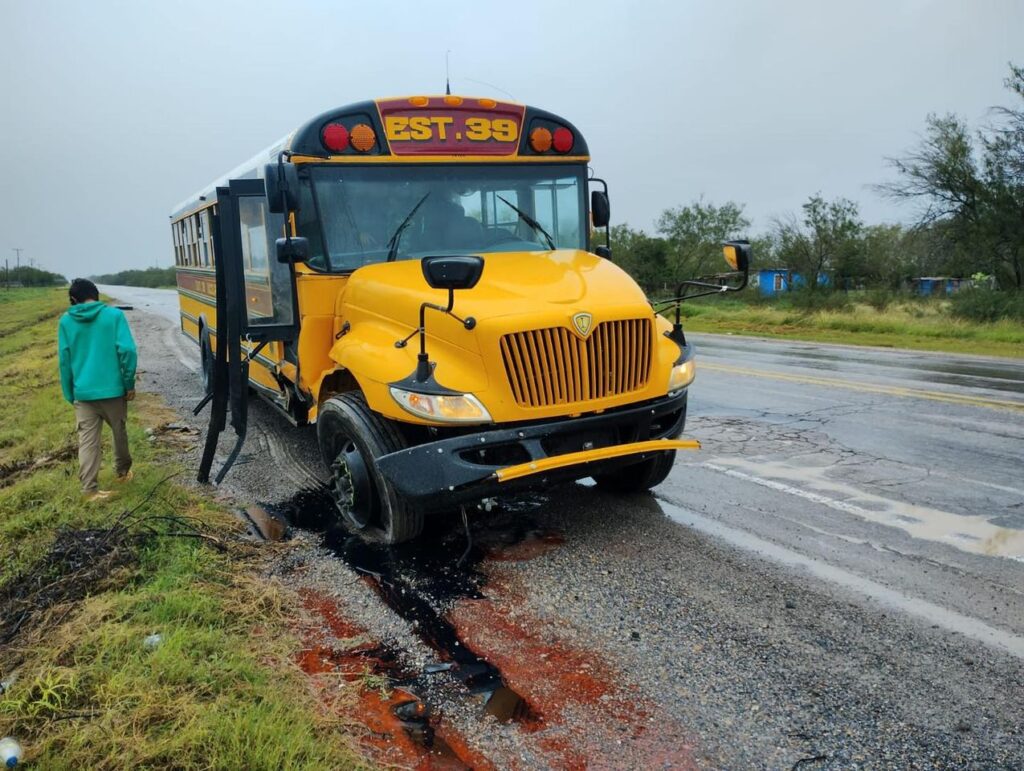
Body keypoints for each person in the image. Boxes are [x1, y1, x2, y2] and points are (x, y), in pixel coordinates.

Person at [58, 278, 138, 502]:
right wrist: (128, 383)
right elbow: (128, 351)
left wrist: (70, 393)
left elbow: (64, 361)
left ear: (73, 299)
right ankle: (122, 473)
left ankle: (89, 491)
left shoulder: (66, 321)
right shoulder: (113, 316)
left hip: (82, 393)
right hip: (113, 390)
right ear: (96, 294)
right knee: (119, 432)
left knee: (87, 441)